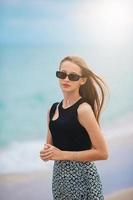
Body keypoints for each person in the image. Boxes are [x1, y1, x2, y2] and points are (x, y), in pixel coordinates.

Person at [40, 56, 109, 200]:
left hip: (84, 180)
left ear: (82, 80)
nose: (66, 79)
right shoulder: (52, 110)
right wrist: (46, 153)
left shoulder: (83, 109)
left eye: (72, 76)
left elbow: (103, 153)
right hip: (59, 180)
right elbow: (51, 150)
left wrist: (63, 155)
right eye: (62, 74)